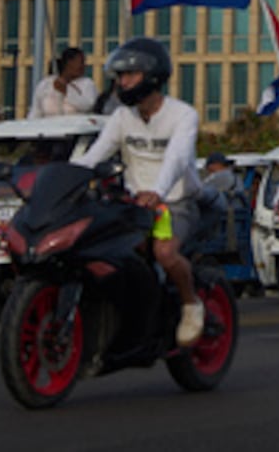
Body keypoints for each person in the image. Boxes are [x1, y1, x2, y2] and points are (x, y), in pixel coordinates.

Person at [75, 37, 205, 348]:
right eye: (119, 76)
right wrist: (68, 177)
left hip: (174, 202)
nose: (122, 82)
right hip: (134, 205)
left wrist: (158, 191)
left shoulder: (183, 115)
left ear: (152, 76)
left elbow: (176, 158)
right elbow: (95, 154)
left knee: (164, 253)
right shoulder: (122, 117)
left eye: (129, 75)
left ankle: (190, 305)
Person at [29, 46, 99, 118]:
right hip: (48, 127)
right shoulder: (46, 84)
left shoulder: (87, 84)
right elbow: (36, 111)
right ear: (69, 62)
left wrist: (66, 92)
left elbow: (88, 105)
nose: (83, 66)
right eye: (81, 62)